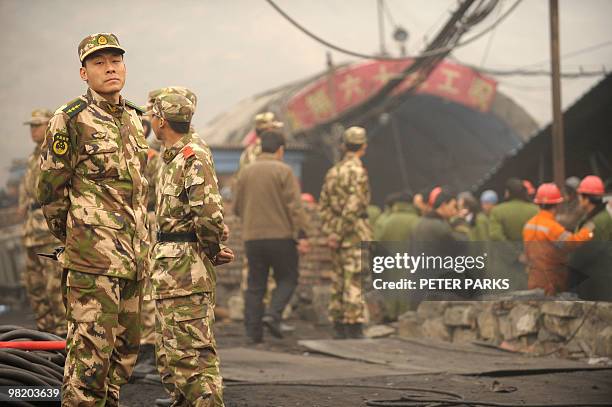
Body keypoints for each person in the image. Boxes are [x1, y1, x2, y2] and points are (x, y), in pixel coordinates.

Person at [37, 33, 149, 405]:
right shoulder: (69, 119)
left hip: (134, 259)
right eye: (99, 63)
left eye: (115, 60)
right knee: (90, 357)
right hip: (92, 260)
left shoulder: (135, 120)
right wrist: (75, 236)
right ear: (84, 73)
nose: (110, 68)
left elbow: (139, 189)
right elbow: (51, 189)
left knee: (123, 353)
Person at [149, 93, 233, 406]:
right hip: (170, 269)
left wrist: (212, 250)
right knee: (172, 351)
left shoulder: (191, 155)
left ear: (161, 120)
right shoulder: (169, 155)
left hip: (186, 269)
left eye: (153, 116)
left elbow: (209, 214)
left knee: (193, 354)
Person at [233, 129, 310, 343]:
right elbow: (295, 207)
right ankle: (273, 314)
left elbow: (237, 208)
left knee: (255, 284)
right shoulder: (283, 171)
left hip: (252, 239)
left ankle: (253, 333)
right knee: (288, 278)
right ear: (281, 150)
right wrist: (303, 234)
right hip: (281, 237)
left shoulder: (245, 172)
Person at [319, 126, 372, 339]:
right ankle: (354, 325)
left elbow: (323, 206)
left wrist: (331, 232)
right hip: (353, 234)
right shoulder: (358, 172)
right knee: (354, 278)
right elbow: (354, 206)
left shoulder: (333, 172)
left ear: (343, 146)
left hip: (336, 236)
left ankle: (338, 323)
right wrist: (340, 233)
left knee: (338, 278)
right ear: (364, 147)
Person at [18, 109, 67, 336]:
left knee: (54, 287)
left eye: (37, 125)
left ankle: (61, 337)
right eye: (31, 126)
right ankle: (44, 338)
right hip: (32, 231)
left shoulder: (54, 152)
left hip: (48, 230)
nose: (33, 130)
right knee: (36, 287)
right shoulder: (32, 157)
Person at [523, 183, 593, 296]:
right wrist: (588, 231)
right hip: (552, 284)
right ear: (557, 204)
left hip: (534, 280)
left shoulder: (528, 225)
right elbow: (571, 244)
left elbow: (527, 254)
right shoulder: (552, 228)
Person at [569, 175, 612, 300]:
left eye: (580, 196)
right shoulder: (595, 217)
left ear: (586, 199)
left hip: (598, 284)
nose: (578, 199)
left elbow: (584, 253)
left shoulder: (598, 222)